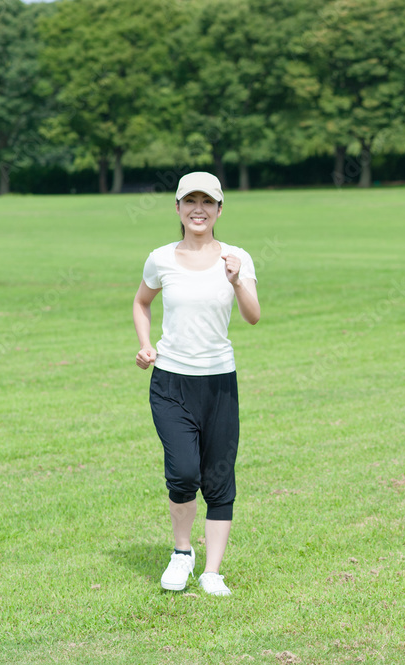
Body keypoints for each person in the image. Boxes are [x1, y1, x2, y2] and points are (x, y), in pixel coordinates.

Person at [132, 171, 260, 596]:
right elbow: (141, 302)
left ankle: (212, 572)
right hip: (171, 381)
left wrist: (237, 278)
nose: (198, 209)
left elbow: (253, 316)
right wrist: (146, 345)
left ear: (220, 209)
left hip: (219, 382)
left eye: (208, 202)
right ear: (178, 209)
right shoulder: (161, 258)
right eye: (191, 201)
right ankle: (182, 552)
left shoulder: (236, 257)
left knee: (220, 477)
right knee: (184, 472)